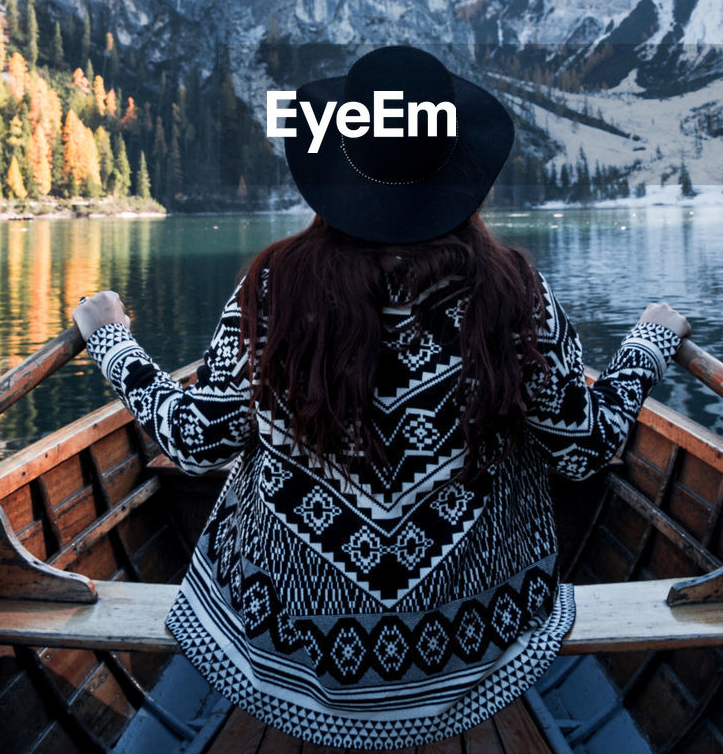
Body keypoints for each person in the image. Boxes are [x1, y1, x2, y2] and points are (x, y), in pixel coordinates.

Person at [73, 45, 690, 749]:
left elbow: (195, 442)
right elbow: (584, 451)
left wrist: (112, 341)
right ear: (460, 176)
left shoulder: (272, 287)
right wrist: (646, 346)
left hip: (287, 645)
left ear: (336, 169)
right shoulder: (511, 291)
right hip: (476, 643)